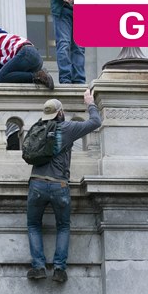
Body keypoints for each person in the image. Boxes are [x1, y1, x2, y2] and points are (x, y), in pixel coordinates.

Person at [26, 89, 102, 283]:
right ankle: (59, 269)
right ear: (60, 113)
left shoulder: (37, 128)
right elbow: (95, 122)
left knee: (34, 225)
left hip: (36, 183)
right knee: (63, 226)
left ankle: (38, 267)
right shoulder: (67, 128)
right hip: (59, 184)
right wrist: (90, 103)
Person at [0, 18, 53, 89]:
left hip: (26, 53)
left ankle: (38, 76)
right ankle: (41, 76)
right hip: (37, 58)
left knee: (1, 77)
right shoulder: (5, 37)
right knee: (14, 77)